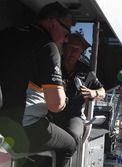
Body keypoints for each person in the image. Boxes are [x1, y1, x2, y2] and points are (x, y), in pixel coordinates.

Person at [0, 2, 76, 167]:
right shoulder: (48, 47)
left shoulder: (7, 33)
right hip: (22, 126)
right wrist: (63, 98)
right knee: (69, 145)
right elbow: (56, 105)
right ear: (52, 22)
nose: (67, 38)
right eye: (66, 30)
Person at [48, 32, 105, 147]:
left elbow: (102, 92)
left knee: (73, 136)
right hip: (49, 114)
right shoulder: (53, 64)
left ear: (81, 53)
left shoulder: (86, 71)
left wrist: (93, 93)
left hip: (74, 116)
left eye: (78, 49)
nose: (74, 52)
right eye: (71, 48)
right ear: (64, 48)